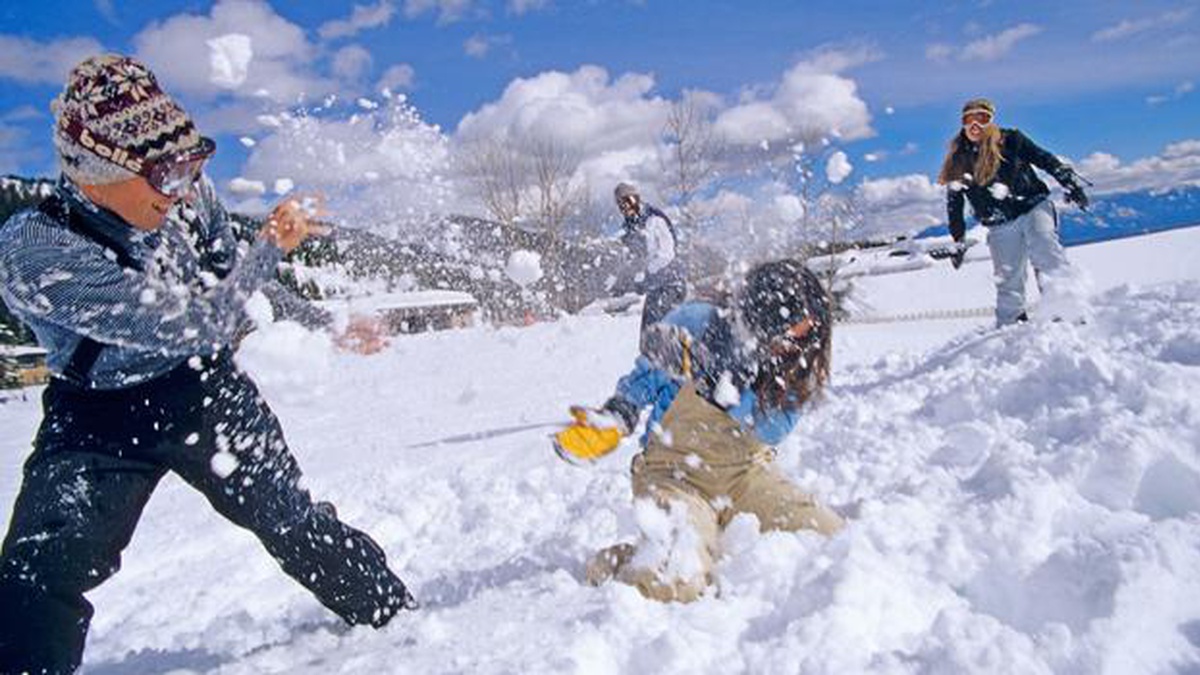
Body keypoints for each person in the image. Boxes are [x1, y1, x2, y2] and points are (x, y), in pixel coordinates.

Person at [0, 54, 414, 674]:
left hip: (204, 391)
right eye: (167, 173)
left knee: (290, 519)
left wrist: (321, 322)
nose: (187, 187)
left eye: (194, 165)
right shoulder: (38, 249)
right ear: (94, 174)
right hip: (98, 418)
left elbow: (233, 279)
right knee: (40, 571)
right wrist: (272, 246)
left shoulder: (187, 198)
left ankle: (398, 618)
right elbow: (195, 321)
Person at [553, 259, 844, 602]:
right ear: (758, 317)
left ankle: (707, 538)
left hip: (746, 475)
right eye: (786, 333)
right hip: (674, 474)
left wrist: (721, 381)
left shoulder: (800, 359)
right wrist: (619, 414)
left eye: (804, 331)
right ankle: (632, 561)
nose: (794, 343)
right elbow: (645, 376)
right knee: (674, 582)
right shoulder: (699, 322)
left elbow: (773, 430)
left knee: (832, 541)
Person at [937, 97, 1090, 326]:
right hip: (999, 222)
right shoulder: (959, 159)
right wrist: (958, 238)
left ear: (991, 121)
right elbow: (955, 202)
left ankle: (1066, 311)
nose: (975, 125)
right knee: (1007, 275)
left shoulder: (1011, 140)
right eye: (969, 120)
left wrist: (1070, 183)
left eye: (982, 118)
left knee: (1044, 248)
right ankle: (1011, 324)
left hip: (1032, 205)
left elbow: (1044, 159)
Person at [612, 182, 687, 329]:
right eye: (621, 204)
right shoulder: (630, 226)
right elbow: (631, 256)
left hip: (671, 284)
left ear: (636, 199)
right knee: (649, 329)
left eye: (628, 201)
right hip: (656, 286)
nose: (625, 207)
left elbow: (666, 254)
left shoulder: (654, 220)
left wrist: (646, 272)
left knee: (656, 328)